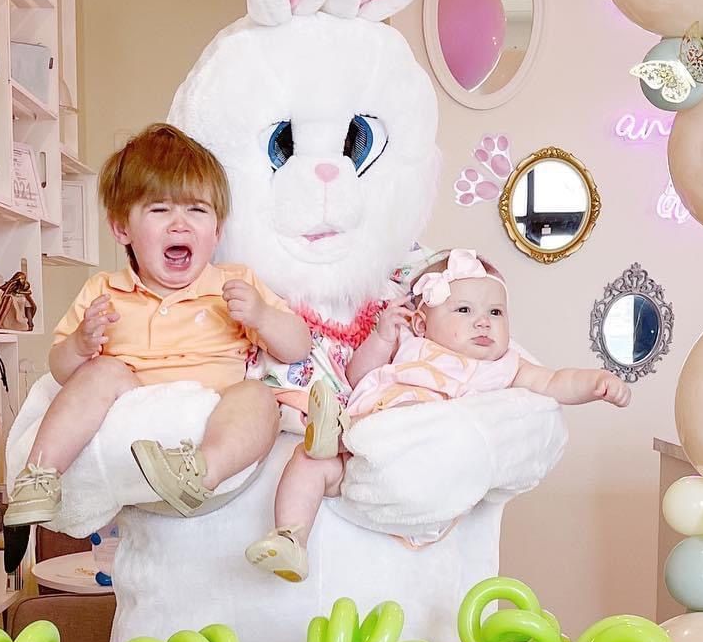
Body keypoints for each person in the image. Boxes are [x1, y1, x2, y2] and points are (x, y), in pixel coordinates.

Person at [245, 249, 631, 581]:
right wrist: (381, 338)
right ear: (420, 322)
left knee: (412, 424)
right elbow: (358, 377)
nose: (483, 321)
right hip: (358, 454)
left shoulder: (502, 366)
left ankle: (337, 434)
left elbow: (553, 383)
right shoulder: (409, 344)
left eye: (495, 311)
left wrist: (595, 383)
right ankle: (290, 536)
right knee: (309, 462)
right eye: (464, 310)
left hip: (413, 451)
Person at [4, 124, 312, 525]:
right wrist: (80, 346)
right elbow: (61, 371)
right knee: (100, 372)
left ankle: (202, 474)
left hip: (210, 420)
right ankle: (40, 477)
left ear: (217, 231)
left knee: (257, 396)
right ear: (121, 228)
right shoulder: (104, 292)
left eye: (196, 210)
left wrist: (262, 316)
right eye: (160, 209)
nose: (179, 224)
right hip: (133, 420)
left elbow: (297, 347)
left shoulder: (233, 284)